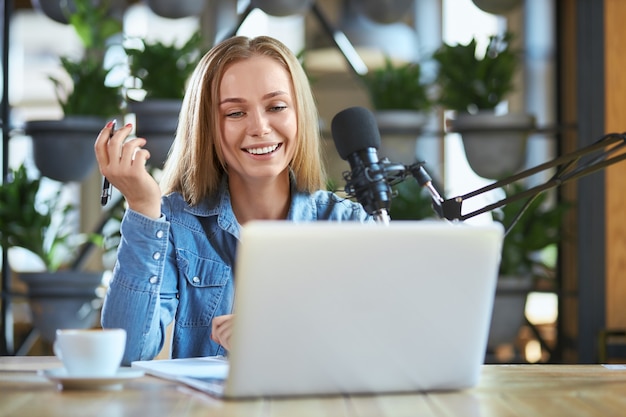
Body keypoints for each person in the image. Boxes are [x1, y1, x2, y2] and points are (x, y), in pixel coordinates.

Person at [95, 35, 372, 365]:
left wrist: (276, 333)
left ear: (299, 115)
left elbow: (378, 345)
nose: (259, 128)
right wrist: (142, 207)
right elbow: (126, 353)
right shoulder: (175, 223)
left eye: (277, 107)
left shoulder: (346, 223)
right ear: (209, 127)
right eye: (236, 113)